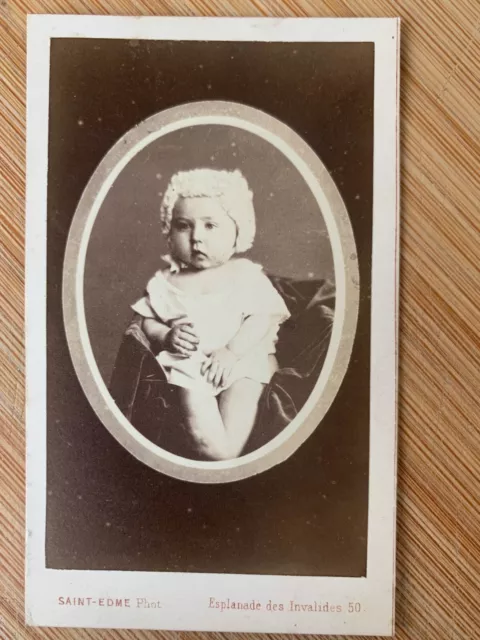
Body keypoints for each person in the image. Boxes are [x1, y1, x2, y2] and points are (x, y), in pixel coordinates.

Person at [132, 168, 290, 460]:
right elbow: (146, 321)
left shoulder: (245, 274)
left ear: (237, 232)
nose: (196, 238)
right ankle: (218, 456)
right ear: (169, 230)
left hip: (241, 359)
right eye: (183, 226)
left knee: (242, 402)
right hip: (191, 362)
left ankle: (230, 455)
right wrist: (166, 336)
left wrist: (230, 352)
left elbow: (262, 317)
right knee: (203, 428)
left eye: (210, 226)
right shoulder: (166, 281)